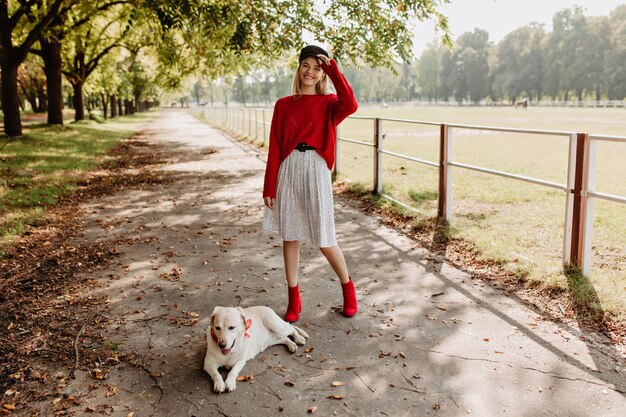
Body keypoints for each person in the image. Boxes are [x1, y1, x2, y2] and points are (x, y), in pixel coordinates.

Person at [262, 44, 359, 322]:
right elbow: (275, 147)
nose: (310, 72)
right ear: (299, 67)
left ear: (322, 74)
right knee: (290, 236)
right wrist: (269, 186)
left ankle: (348, 290)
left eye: (317, 68)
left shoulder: (329, 104)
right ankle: (294, 298)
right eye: (306, 65)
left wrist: (333, 68)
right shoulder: (283, 105)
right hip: (288, 168)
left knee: (324, 237)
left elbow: (351, 103)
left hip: (316, 169)